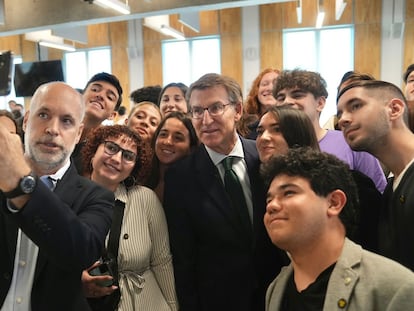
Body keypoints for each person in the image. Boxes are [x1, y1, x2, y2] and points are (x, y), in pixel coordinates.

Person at [163, 73, 287, 311]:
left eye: (216, 108)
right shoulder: (181, 176)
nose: (206, 119)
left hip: (275, 292)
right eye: (197, 111)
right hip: (219, 299)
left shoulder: (265, 157)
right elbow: (183, 257)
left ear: (238, 110)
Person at [0, 82, 113, 310]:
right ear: (26, 121)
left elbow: (81, 252)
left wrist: (22, 185)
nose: (53, 129)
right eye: (43, 114)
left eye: (67, 121)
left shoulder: (96, 196)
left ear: (79, 133)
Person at [262, 147, 414, 311]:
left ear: (334, 202)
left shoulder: (391, 286)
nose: (272, 206)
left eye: (289, 193)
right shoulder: (277, 288)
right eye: (269, 200)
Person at [256, 106, 382, 251]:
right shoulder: (260, 186)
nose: (264, 137)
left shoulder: (350, 181)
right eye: (260, 132)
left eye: (277, 129)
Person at [81, 125, 178, 311]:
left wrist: (173, 307)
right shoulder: (71, 199)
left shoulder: (145, 198)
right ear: (94, 151)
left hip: (147, 303)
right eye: (111, 147)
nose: (117, 159)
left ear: (134, 168)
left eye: (128, 156)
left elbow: (162, 261)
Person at [337, 79, 414, 270]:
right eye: (340, 113)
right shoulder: (392, 187)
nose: (343, 119)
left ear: (394, 109)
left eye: (355, 106)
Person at [273, 69, 387, 193]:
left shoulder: (350, 142)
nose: (287, 102)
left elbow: (379, 193)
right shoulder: (272, 146)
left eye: (297, 95)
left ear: (320, 103)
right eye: (280, 97)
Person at [72, 72, 123, 175]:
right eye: (95, 90)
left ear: (112, 115)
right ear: (81, 96)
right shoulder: (58, 127)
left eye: (109, 97)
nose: (100, 96)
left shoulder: (105, 150)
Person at [145, 111, 198, 202]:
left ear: (191, 148)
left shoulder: (197, 188)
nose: (168, 142)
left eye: (178, 138)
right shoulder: (141, 176)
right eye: (163, 134)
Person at [238, 68, 279, 139]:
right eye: (265, 84)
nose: (270, 88)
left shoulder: (291, 123)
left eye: (276, 84)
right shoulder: (242, 124)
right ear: (256, 90)